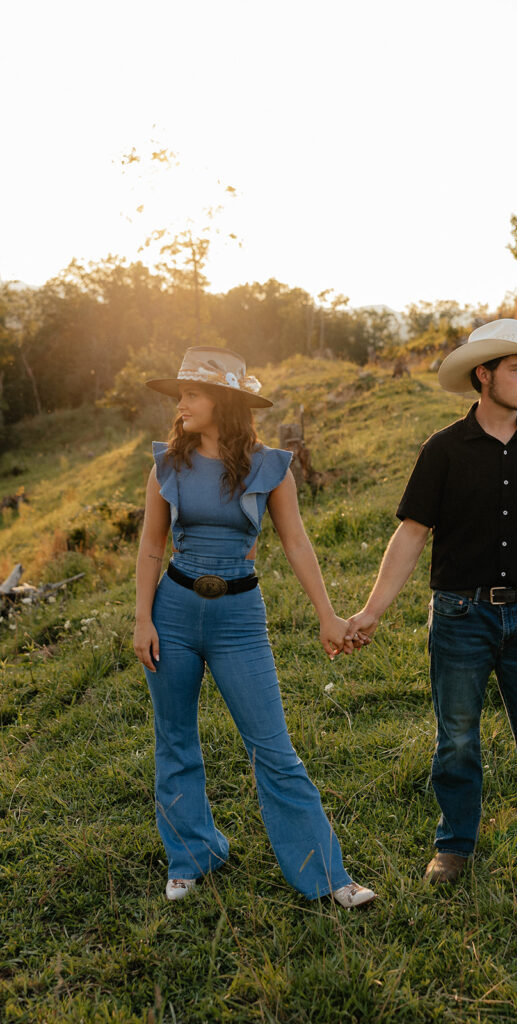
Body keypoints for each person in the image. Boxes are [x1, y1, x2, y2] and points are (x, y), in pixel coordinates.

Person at [345, 319, 517, 898]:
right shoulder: (444, 449)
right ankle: (454, 847)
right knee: (456, 739)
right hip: (459, 614)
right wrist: (373, 609)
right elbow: (411, 535)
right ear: (485, 376)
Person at [134, 346, 374, 907]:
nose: (181, 405)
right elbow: (150, 546)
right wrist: (143, 619)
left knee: (273, 747)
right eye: (180, 395)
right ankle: (191, 855)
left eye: (192, 394)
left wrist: (328, 615)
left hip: (240, 618)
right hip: (173, 608)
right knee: (174, 738)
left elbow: (296, 542)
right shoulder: (166, 464)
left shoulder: (271, 467)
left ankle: (327, 875)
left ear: (224, 402)